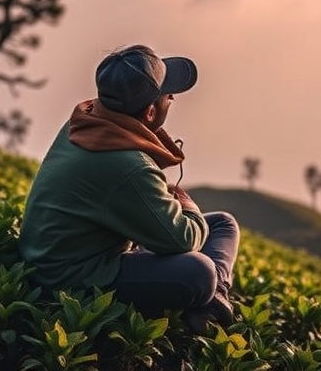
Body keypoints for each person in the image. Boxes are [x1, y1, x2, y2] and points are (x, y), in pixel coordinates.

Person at [18, 44, 239, 334]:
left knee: (222, 223)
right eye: (168, 95)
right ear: (149, 112)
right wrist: (188, 207)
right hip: (70, 276)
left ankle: (216, 299)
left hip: (59, 251)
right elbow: (183, 240)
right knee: (199, 273)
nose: (172, 98)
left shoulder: (85, 119)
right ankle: (212, 298)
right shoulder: (127, 165)